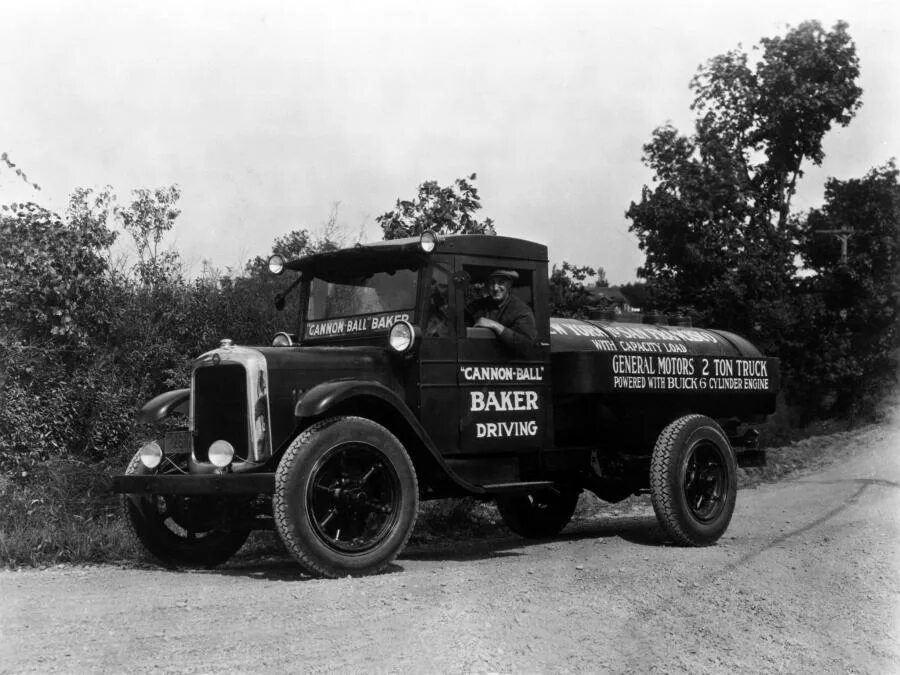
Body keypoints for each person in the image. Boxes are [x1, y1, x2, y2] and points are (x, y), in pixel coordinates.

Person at [466, 269, 537, 354]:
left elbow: (527, 345)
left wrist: (495, 326)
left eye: (501, 282)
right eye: (492, 283)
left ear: (509, 285)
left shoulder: (521, 310)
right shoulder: (477, 306)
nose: (495, 288)